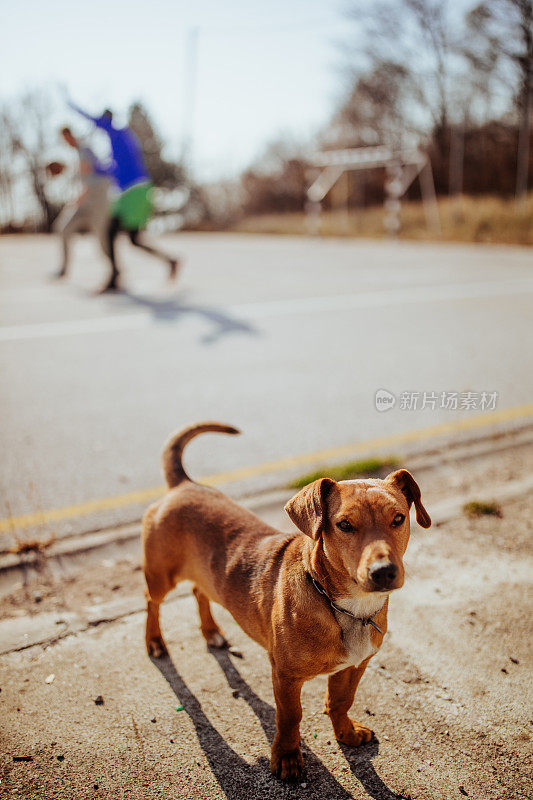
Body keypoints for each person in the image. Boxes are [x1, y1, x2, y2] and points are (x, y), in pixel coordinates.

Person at [69, 102, 179, 292]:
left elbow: (95, 122)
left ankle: (114, 276)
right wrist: (93, 167)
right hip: (133, 191)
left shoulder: (118, 133)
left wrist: (70, 103)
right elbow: (111, 170)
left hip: (134, 191)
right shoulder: (119, 145)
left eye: (101, 123)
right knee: (133, 239)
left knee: (111, 232)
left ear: (106, 121)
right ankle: (170, 261)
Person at [50, 127, 112, 279]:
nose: (66, 142)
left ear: (71, 135)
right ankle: (64, 269)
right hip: (85, 202)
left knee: (102, 238)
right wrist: (64, 168)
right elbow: (82, 173)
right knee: (63, 228)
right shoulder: (77, 154)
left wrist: (80, 195)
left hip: (98, 201)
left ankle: (114, 271)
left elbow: (90, 173)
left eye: (66, 138)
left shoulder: (85, 149)